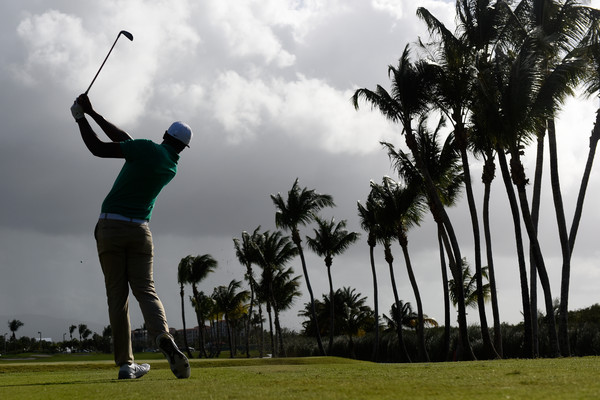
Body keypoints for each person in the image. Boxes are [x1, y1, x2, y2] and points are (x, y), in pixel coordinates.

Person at [70, 94, 192, 380]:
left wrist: (79, 118)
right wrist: (93, 113)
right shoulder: (169, 165)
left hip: (111, 227)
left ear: (164, 135)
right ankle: (162, 335)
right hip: (140, 232)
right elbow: (125, 138)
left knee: (117, 296)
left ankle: (126, 364)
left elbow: (98, 148)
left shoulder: (146, 149)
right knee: (146, 290)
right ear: (183, 148)